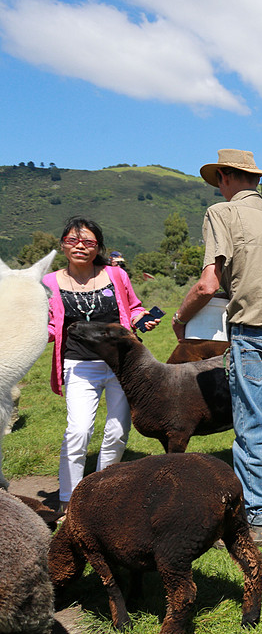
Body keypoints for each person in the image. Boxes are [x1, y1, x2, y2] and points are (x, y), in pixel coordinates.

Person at [172, 149, 262, 546]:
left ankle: (259, 523)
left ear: (227, 177)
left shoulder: (221, 214)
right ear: (255, 179)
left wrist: (180, 319)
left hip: (249, 332)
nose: (218, 188)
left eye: (218, 181)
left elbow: (208, 285)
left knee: (251, 430)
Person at [43, 217, 161, 516]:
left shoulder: (115, 275)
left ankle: (102, 493)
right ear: (62, 245)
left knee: (118, 431)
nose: (80, 246)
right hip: (79, 365)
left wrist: (141, 318)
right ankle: (69, 501)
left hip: (121, 365)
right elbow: (46, 325)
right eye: (72, 240)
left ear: (98, 247)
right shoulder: (49, 283)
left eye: (88, 242)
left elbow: (133, 308)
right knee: (78, 431)